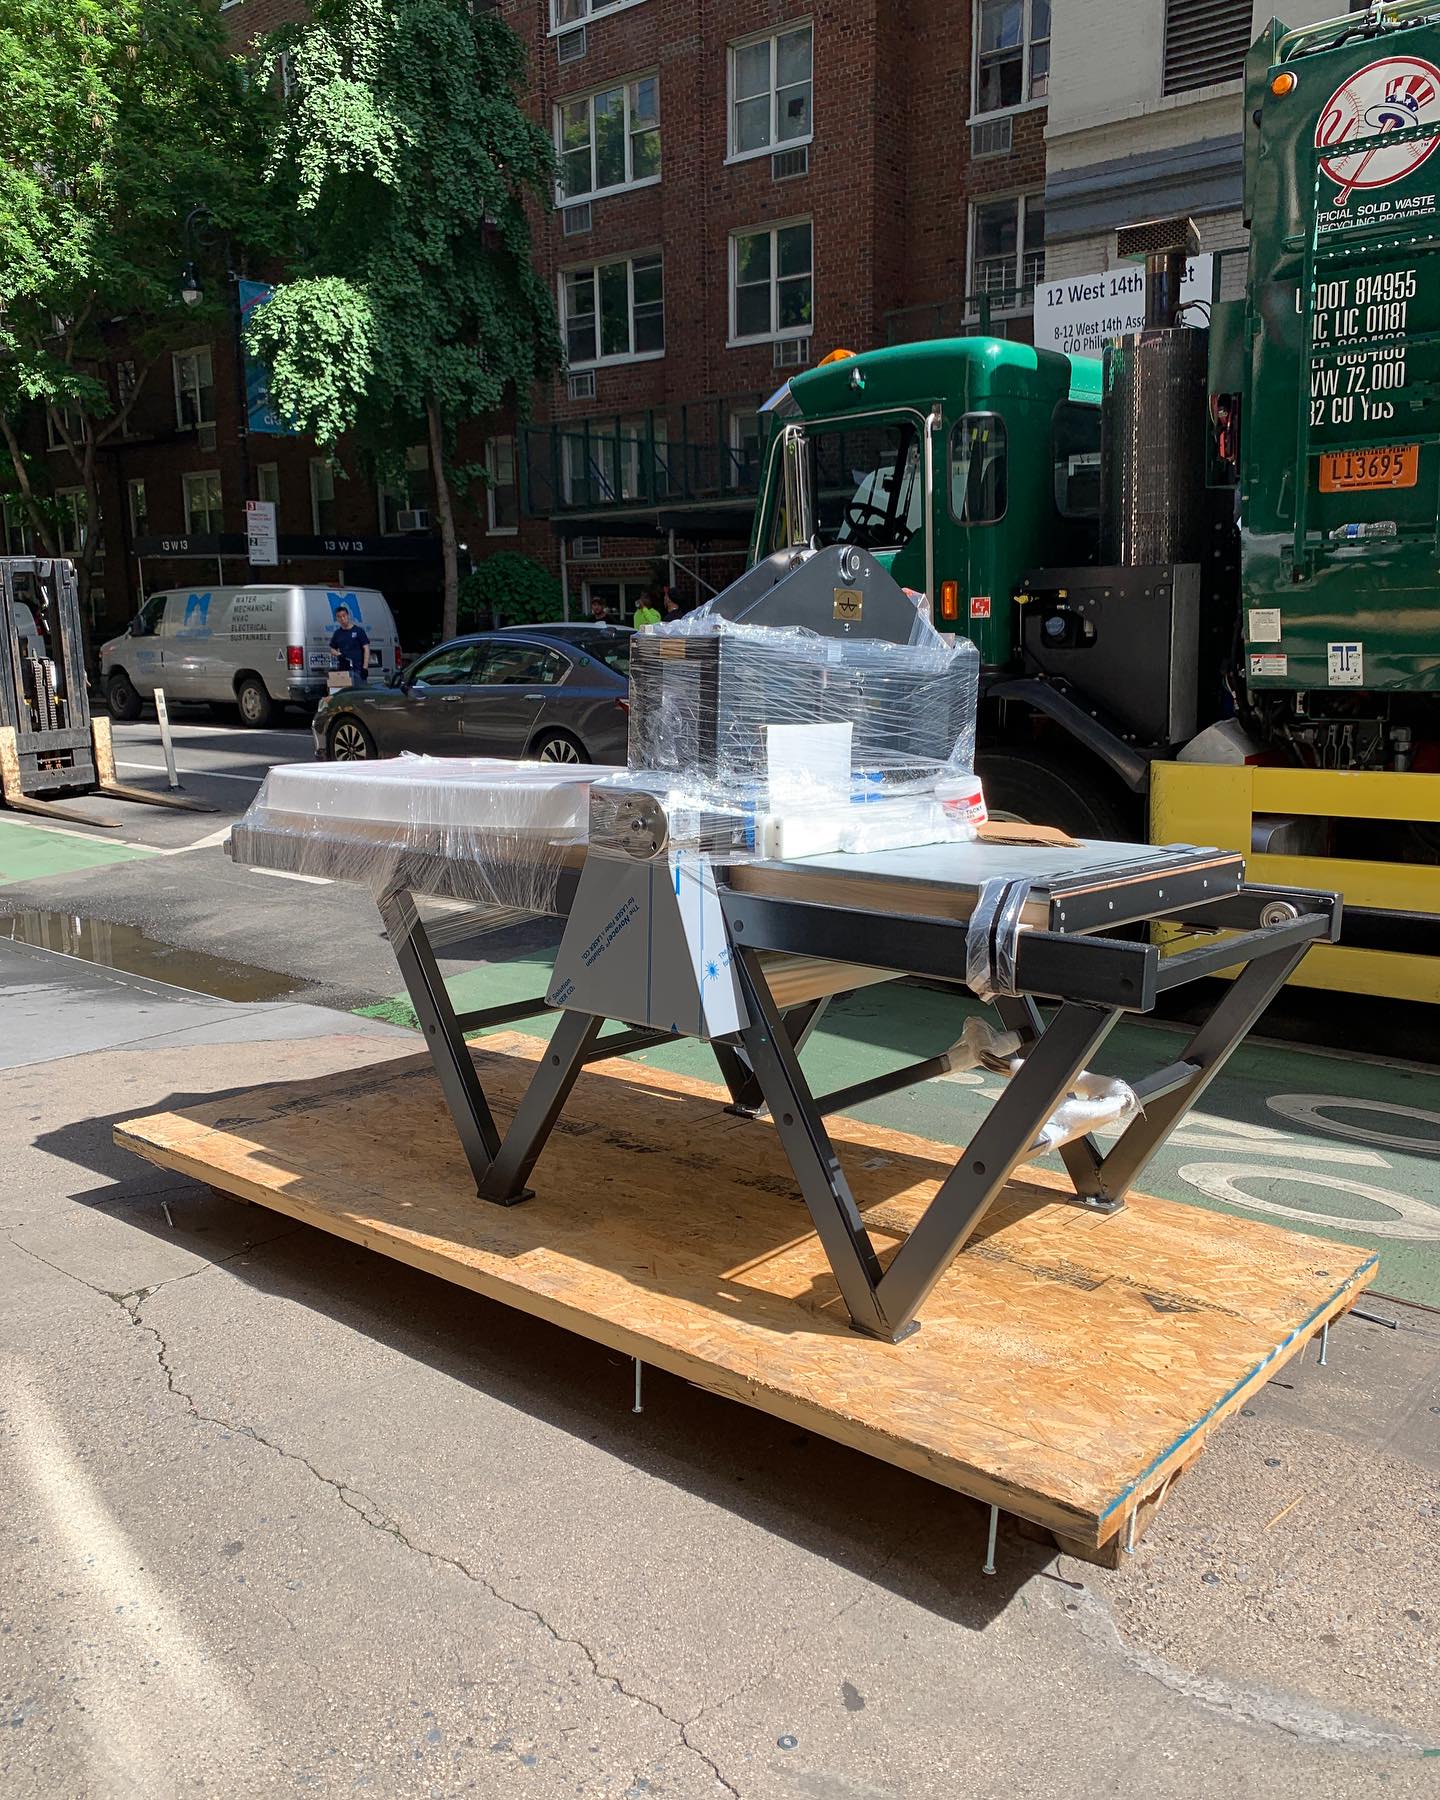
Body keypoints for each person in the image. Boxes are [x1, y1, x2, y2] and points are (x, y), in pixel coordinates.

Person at [329, 602, 371, 683]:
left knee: (360, 693)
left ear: (348, 615)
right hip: (344, 671)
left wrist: (365, 668)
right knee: (347, 693)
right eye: (339, 617)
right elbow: (332, 648)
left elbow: (366, 648)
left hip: (358, 669)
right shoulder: (337, 633)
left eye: (344, 616)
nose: (342, 618)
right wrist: (338, 654)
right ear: (337, 619)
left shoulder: (358, 631)